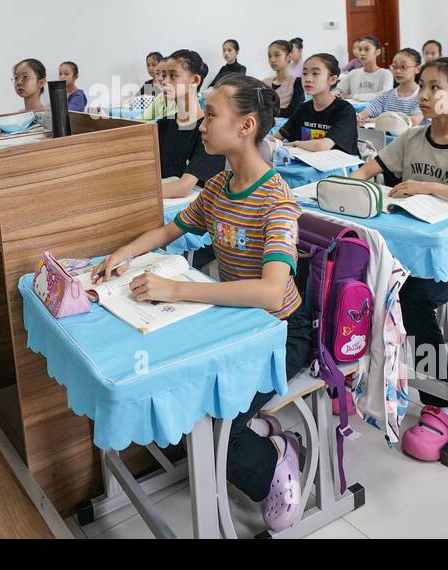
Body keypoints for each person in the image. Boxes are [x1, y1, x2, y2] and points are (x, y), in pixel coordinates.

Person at [93, 75, 306, 530]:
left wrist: (177, 290)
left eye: (211, 115)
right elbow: (172, 230)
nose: (201, 125)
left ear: (246, 126)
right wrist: (125, 253)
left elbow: (271, 290)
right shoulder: (220, 186)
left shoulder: (276, 199)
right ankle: (259, 434)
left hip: (280, 329)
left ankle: (276, 457)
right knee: (192, 402)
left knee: (220, 435)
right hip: (232, 320)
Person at [351, 57, 448, 460]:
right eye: (422, 85)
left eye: (435, 88)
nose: (423, 95)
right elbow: (369, 171)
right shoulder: (412, 137)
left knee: (412, 294)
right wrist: (341, 188)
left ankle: (442, 398)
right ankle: (360, 374)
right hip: (416, 247)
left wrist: (429, 187)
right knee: (362, 277)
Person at [155, 50, 224, 199]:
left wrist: (137, 195)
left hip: (194, 211)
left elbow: (184, 187)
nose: (165, 81)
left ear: (195, 80)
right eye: (163, 75)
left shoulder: (209, 130)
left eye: (173, 75)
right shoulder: (163, 125)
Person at [273, 53, 359, 155]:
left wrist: (295, 144)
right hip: (308, 163)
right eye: (304, 73)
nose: (308, 79)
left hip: (340, 168)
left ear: (332, 79)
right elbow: (277, 137)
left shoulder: (344, 110)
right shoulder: (303, 108)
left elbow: (322, 146)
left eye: (315, 74)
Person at [357, 48, 422, 124]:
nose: (397, 71)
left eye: (403, 67)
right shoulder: (385, 96)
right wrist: (359, 117)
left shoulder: (423, 96)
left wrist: (375, 120)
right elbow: (365, 113)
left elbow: (414, 121)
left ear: (417, 69)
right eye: (394, 66)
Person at [337, 35, 392, 100]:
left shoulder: (386, 74)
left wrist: (354, 96)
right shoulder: (353, 73)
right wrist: (337, 94)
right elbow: (339, 90)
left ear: (377, 52)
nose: (362, 53)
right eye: (360, 49)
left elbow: (384, 96)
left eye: (367, 49)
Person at [264, 39, 305, 114]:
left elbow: (293, 111)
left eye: (277, 55)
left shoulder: (297, 82)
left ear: (289, 56)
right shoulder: (264, 83)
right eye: (269, 56)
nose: (272, 60)